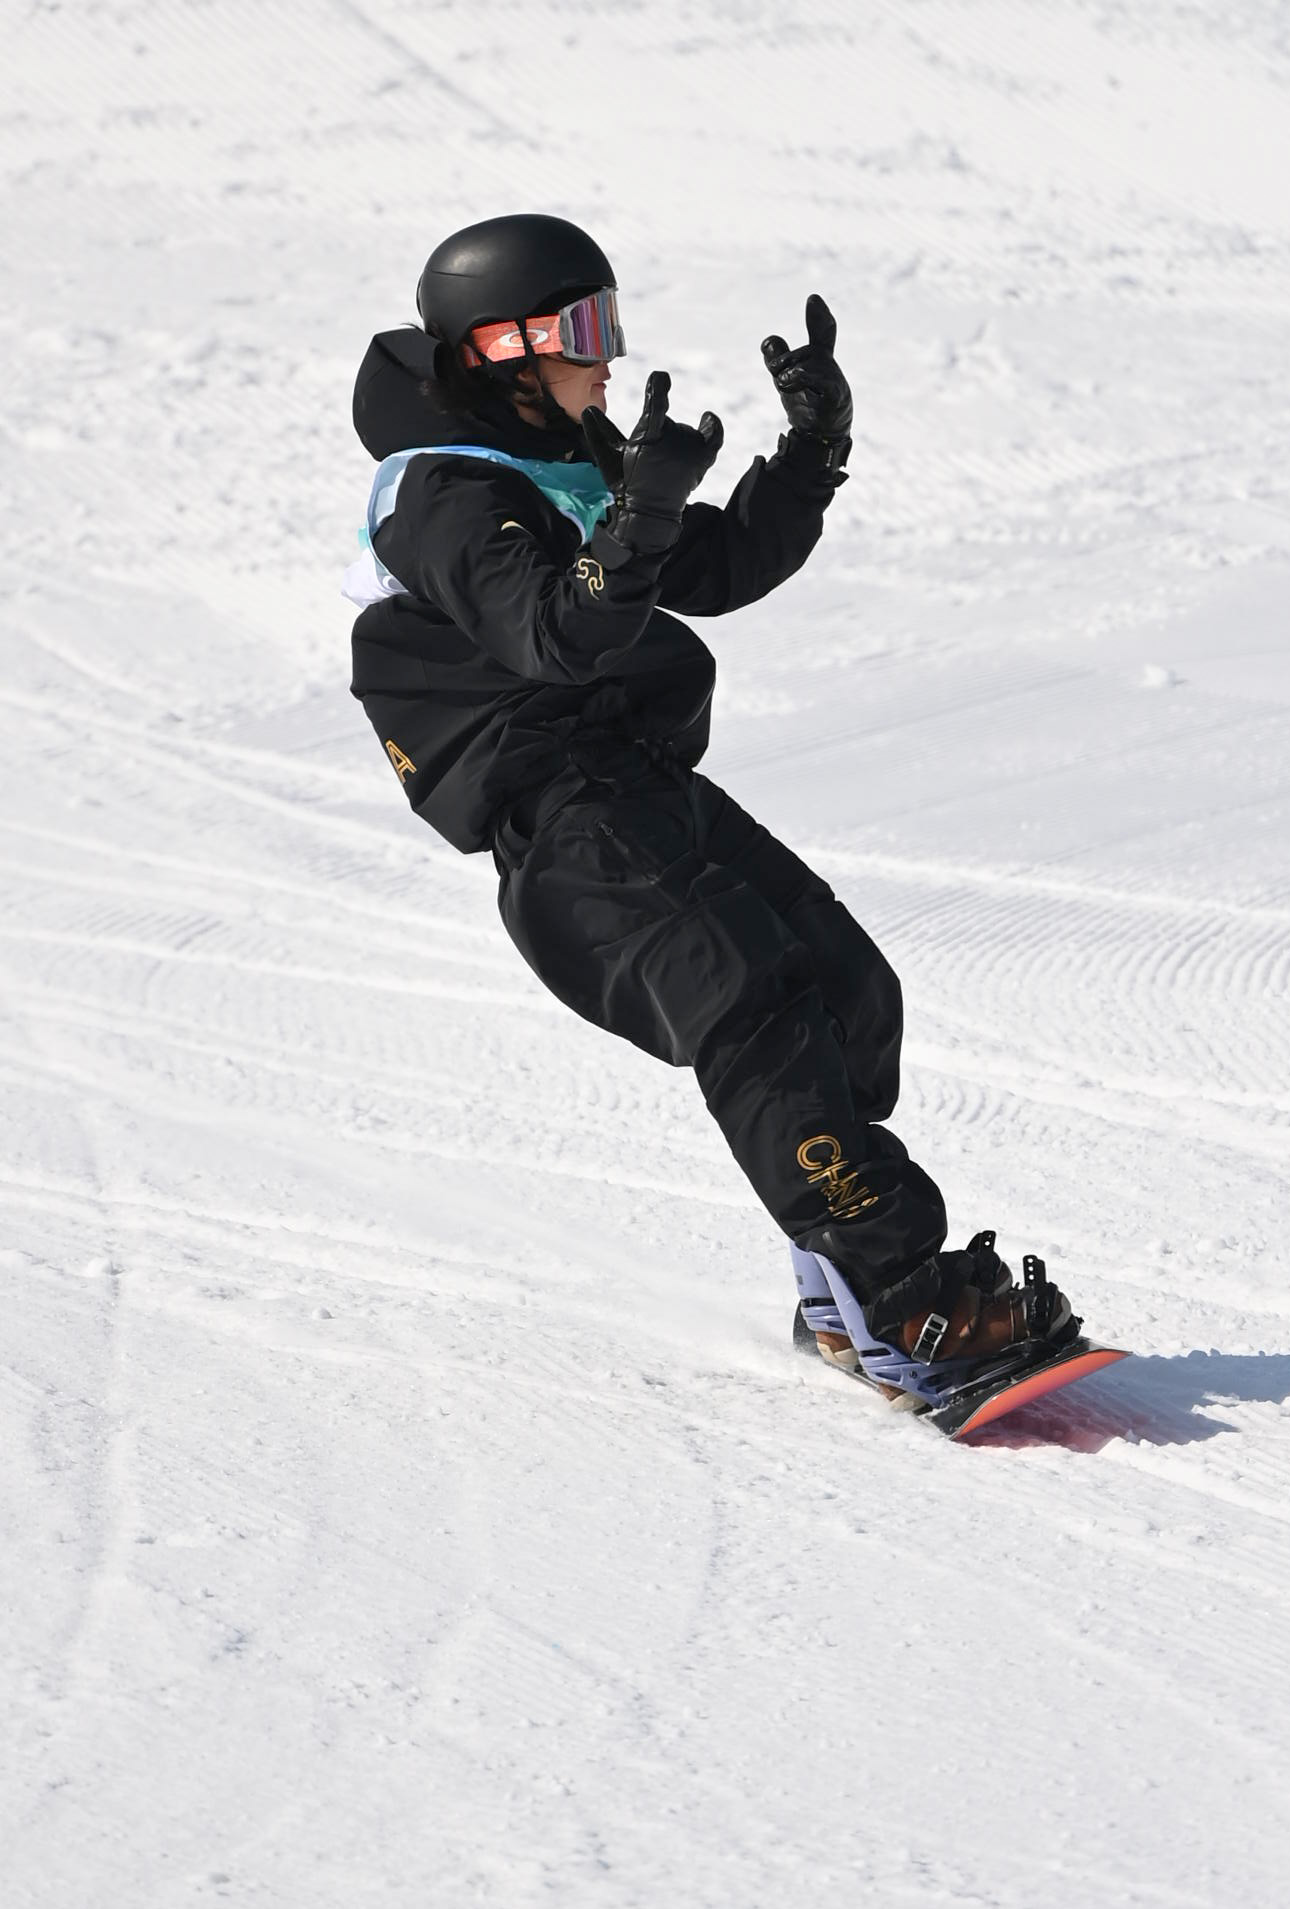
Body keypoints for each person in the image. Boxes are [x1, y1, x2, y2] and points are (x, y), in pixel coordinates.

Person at [347, 214, 1079, 1406]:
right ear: (504, 346)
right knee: (755, 1008)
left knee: (846, 990)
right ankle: (906, 1303)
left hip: (636, 783)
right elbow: (548, 631)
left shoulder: (559, 462)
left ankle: (839, 1293)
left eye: (609, 320)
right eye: (585, 328)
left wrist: (810, 450)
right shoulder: (440, 496)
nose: (610, 356)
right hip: (564, 822)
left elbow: (720, 568)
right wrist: (635, 517)